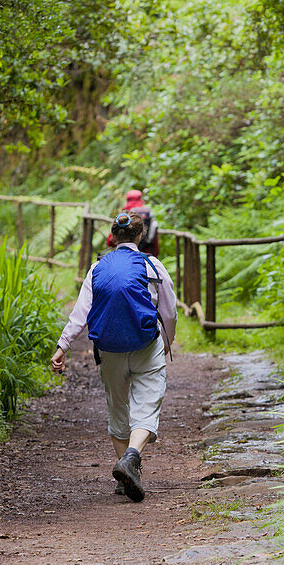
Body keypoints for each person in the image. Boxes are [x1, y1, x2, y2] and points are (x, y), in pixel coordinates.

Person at [50, 211, 176, 502]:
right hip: (146, 346)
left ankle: (125, 476)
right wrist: (168, 339)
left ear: (113, 238)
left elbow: (80, 313)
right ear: (140, 236)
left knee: (118, 407)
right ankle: (131, 458)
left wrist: (62, 346)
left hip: (108, 349)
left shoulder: (97, 268)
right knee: (147, 405)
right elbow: (169, 311)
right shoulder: (152, 265)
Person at [106, 189, 159, 257]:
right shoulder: (147, 213)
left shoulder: (125, 215)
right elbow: (155, 241)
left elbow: (110, 242)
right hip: (146, 255)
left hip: (123, 256)